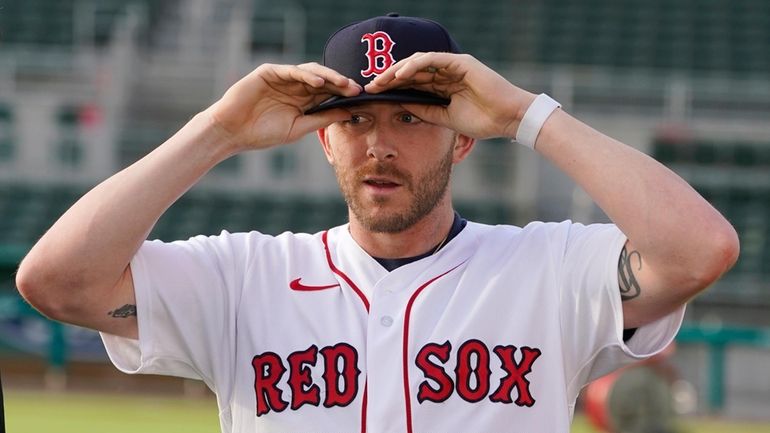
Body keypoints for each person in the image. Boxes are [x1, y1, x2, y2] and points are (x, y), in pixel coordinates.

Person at [16, 13, 738, 433]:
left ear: (462, 136)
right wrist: (219, 130)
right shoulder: (241, 277)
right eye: (354, 118)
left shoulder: (549, 270)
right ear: (324, 140)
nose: (379, 143)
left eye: (410, 118)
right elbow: (56, 282)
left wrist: (526, 115)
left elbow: (700, 249)